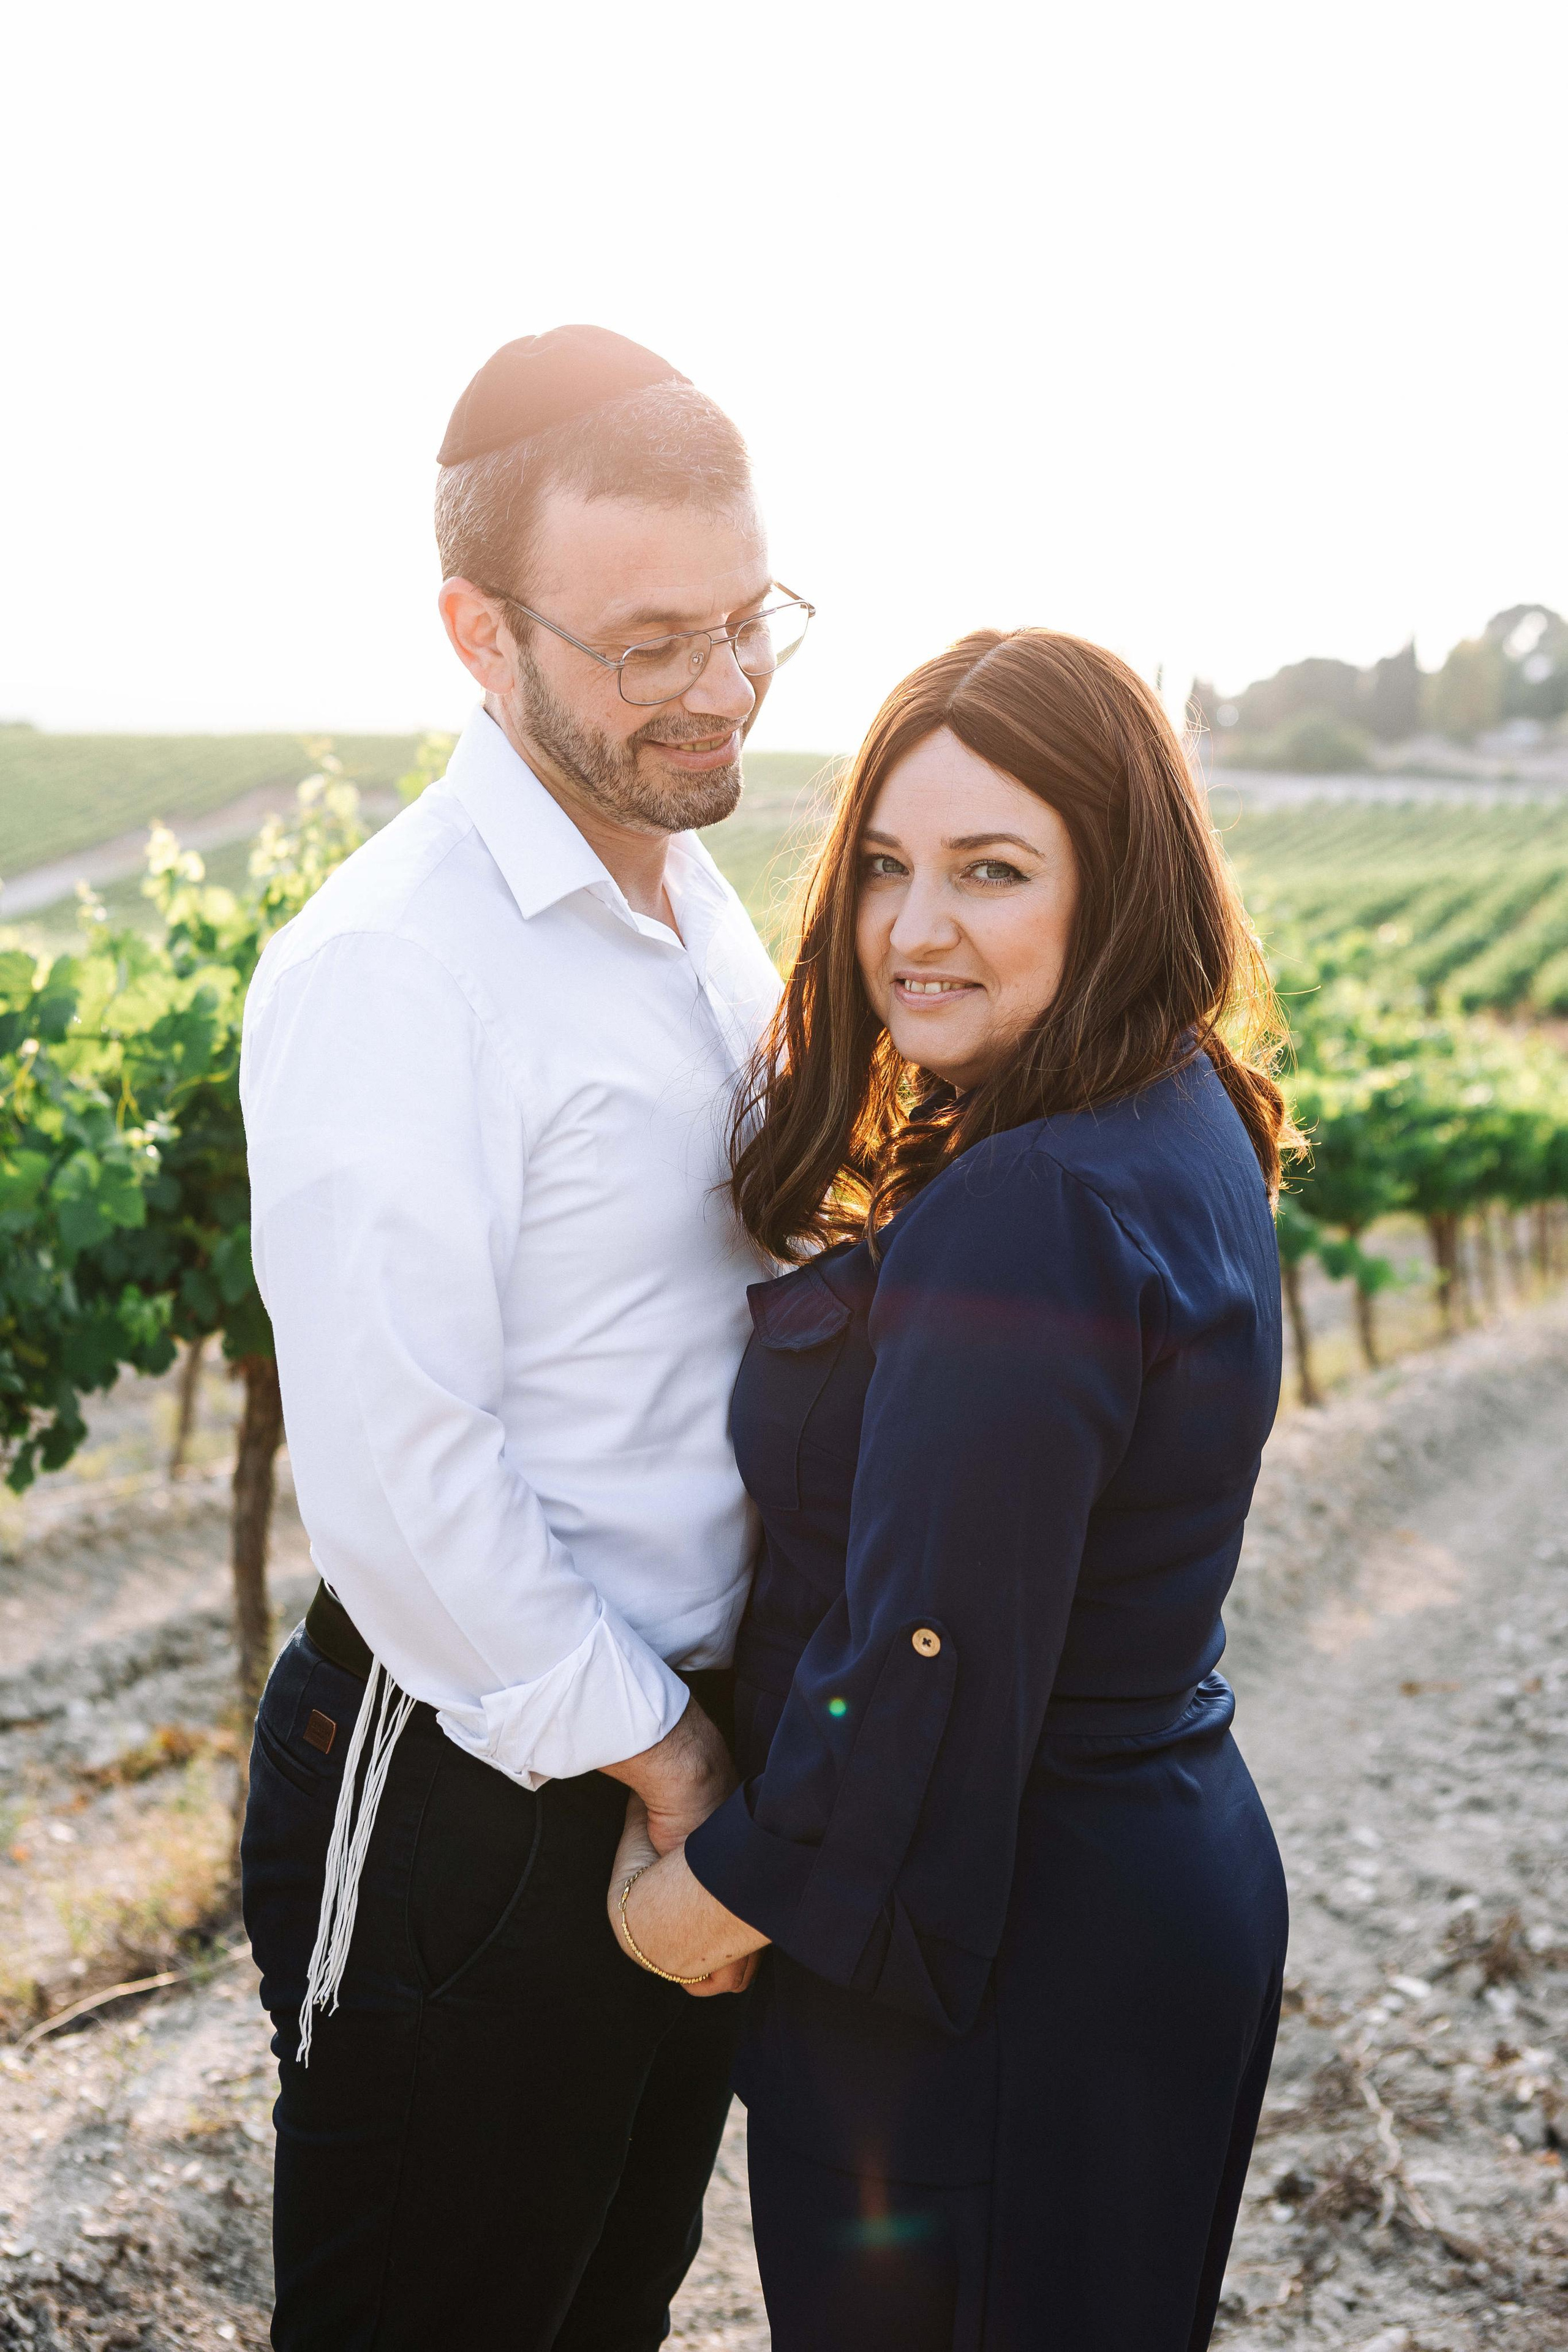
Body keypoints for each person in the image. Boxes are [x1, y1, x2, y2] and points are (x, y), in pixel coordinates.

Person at [608, 628, 1295, 2350]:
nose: (916, 929)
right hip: (1141, 1890)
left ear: (1115, 886)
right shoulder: (1182, 1108)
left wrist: (712, 1892)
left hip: (998, 1957)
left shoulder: (1030, 1205)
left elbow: (931, 1649)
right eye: (886, 867)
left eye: (992, 870)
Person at [239, 325, 810, 2350]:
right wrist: (667, 1756)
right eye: (651, 645)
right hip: (476, 1788)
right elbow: (401, 1478)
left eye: (749, 621)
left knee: (604, 2312)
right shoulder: (399, 969)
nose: (722, 687)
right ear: (481, 636)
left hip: (678, 1753)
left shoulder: (698, 912)